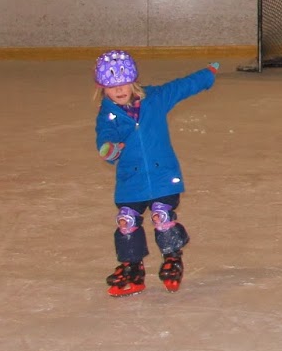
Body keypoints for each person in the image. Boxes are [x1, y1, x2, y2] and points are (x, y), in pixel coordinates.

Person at [93, 49, 219, 297]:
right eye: (111, 87)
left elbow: (181, 87)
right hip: (132, 180)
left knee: (162, 216)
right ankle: (132, 268)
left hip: (163, 176)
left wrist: (207, 74)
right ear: (102, 88)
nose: (119, 91)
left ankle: (172, 257)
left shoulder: (155, 99)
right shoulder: (108, 114)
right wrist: (109, 149)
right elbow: (105, 136)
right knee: (126, 222)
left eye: (124, 83)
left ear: (133, 81)